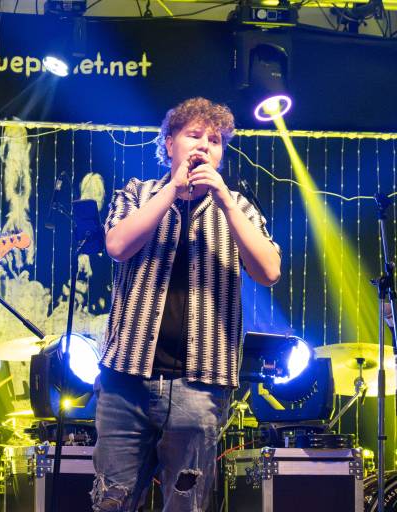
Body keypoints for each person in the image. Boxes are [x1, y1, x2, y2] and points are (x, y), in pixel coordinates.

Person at [92, 97, 281, 512]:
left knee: (186, 506)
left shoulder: (238, 206)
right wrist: (172, 191)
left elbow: (269, 271)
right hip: (127, 381)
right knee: (111, 502)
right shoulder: (138, 193)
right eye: (194, 135)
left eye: (214, 140)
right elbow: (118, 246)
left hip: (200, 383)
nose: (204, 146)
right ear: (169, 143)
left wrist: (225, 200)